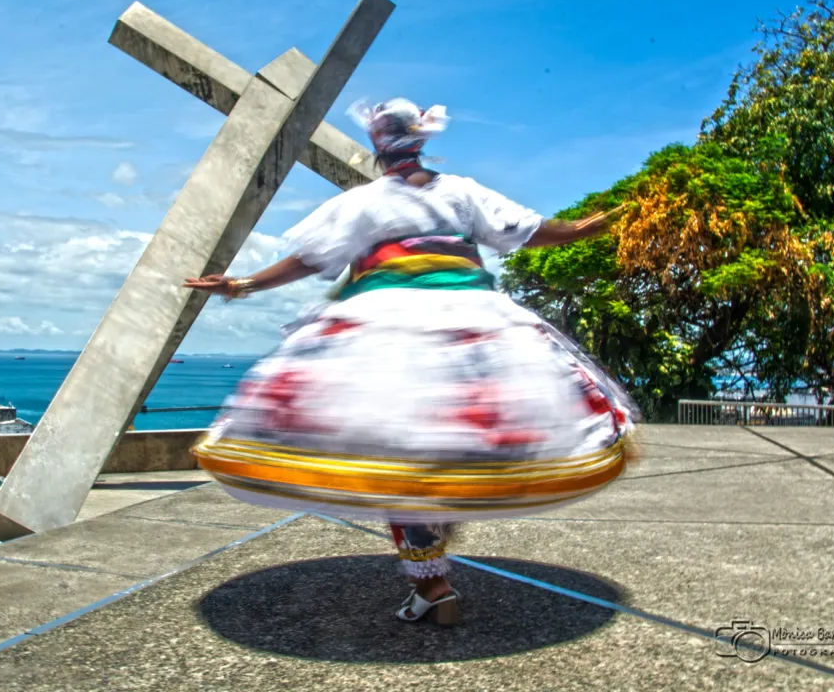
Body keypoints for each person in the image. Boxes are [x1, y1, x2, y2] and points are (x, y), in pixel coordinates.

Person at [184, 98, 638, 627]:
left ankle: (432, 585)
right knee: (444, 456)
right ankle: (434, 565)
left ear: (377, 149)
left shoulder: (367, 201)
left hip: (385, 332)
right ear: (422, 141)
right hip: (475, 327)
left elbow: (312, 259)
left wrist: (241, 284)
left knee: (399, 461)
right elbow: (535, 229)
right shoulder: (464, 192)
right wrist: (596, 226)